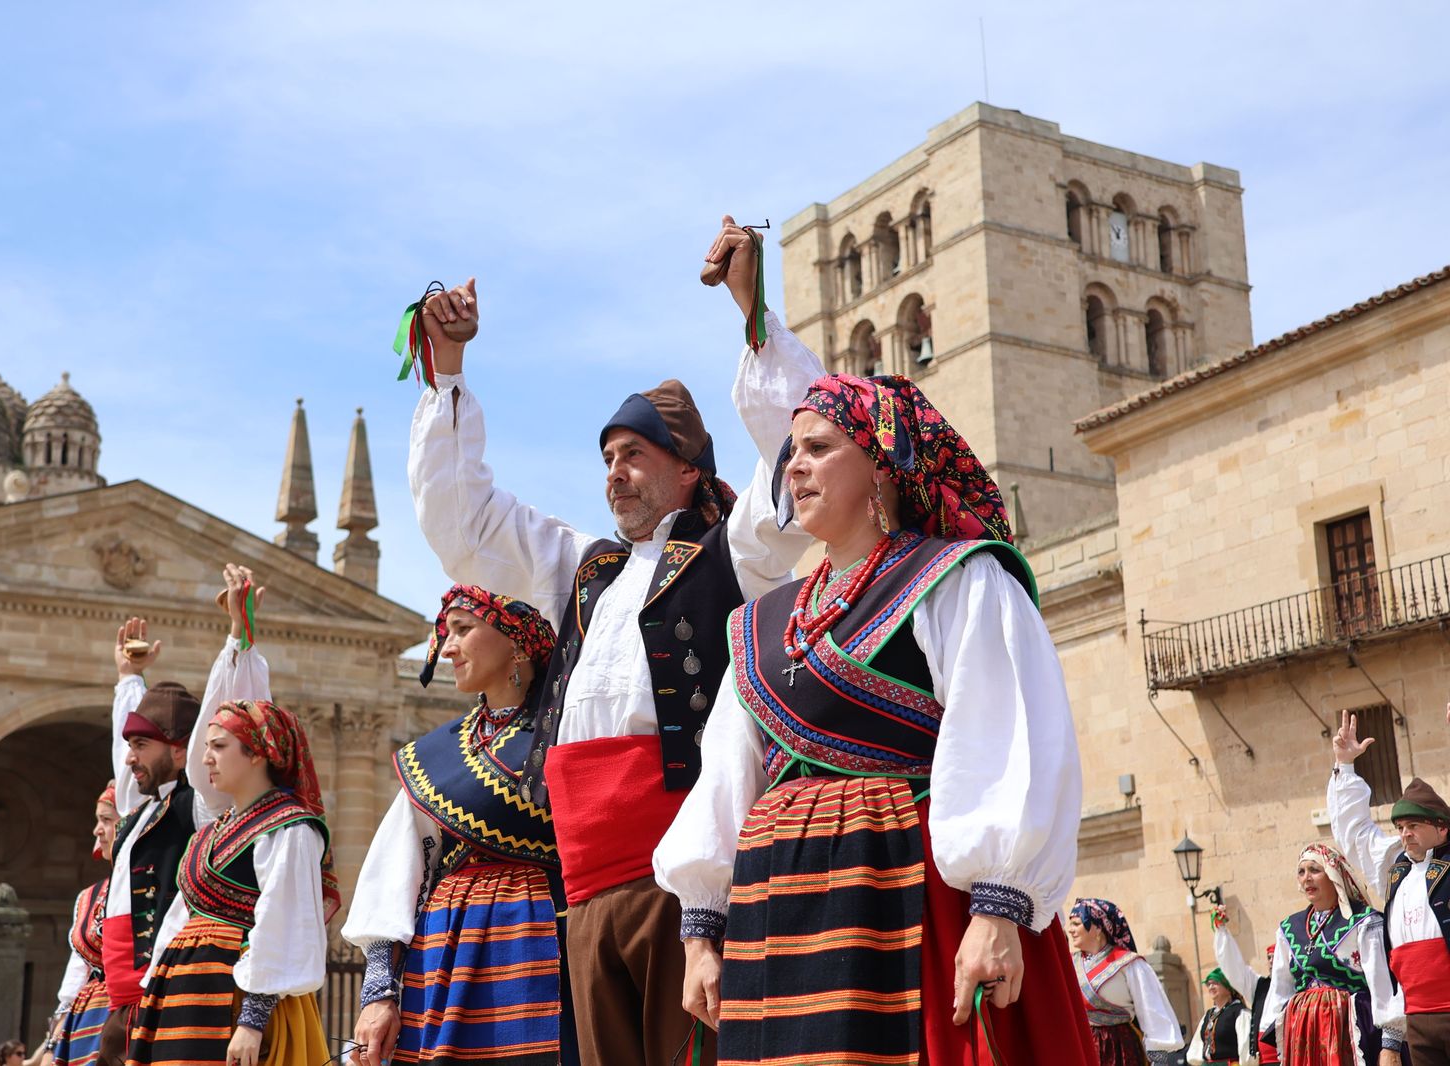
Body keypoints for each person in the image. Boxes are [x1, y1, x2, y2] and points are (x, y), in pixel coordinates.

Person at [406, 219, 823, 1066]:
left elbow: (801, 458)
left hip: (684, 877)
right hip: (584, 881)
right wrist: (448, 370)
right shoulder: (579, 570)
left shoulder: (731, 554)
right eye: (606, 456)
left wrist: (752, 312)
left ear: (687, 470)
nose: (614, 471)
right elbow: (464, 525)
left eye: (635, 453)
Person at [654, 372, 1098, 1063]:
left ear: (883, 464)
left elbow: (1008, 738)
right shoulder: (760, 623)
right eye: (790, 452)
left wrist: (998, 909)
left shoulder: (956, 579)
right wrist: (701, 933)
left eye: (820, 447)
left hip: (913, 902)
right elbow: (726, 782)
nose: (794, 464)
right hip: (781, 912)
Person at [345, 585, 571, 1065]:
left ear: (517, 643)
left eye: (463, 630)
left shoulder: (569, 730)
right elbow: (394, 874)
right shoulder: (435, 752)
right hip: (442, 949)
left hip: (540, 945)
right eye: (446, 633)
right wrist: (379, 992)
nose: (446, 647)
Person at [100, 564, 309, 1066]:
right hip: (151, 995)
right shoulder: (143, 816)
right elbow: (126, 764)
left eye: (143, 744)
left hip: (209, 999)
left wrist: (238, 639)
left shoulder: (202, 809)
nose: (130, 758)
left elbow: (240, 714)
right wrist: (129, 682)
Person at [124, 693, 331, 1066]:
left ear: (257, 752)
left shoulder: (289, 828)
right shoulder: (207, 834)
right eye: (206, 747)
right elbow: (178, 919)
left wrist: (252, 1020)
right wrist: (152, 992)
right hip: (184, 993)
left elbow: (282, 924)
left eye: (218, 746)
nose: (205, 759)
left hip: (238, 1002)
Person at [1330, 709, 1450, 1063]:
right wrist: (1345, 766)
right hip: (1418, 1018)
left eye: (1414, 824)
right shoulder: (1395, 868)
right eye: (1400, 827)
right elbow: (1355, 835)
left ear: (1442, 828)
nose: (1404, 833)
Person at [1261, 842, 1405, 1065]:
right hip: (1305, 1038)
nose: (1306, 877)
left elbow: (1383, 986)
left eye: (1315, 870)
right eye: (1301, 871)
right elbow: (1280, 989)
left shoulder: (1363, 922)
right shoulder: (1289, 928)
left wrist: (1390, 1045)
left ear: (1333, 875)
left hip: (1352, 1031)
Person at [50, 784, 119, 1066]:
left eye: (106, 820)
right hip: (85, 1019)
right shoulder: (89, 897)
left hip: (123, 1016)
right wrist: (51, 1042)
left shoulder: (150, 886)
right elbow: (78, 969)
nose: (97, 830)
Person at [1067, 898, 1184, 1063]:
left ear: (1098, 927)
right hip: (1082, 1046)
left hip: (1118, 1048)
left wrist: (1160, 1059)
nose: (1070, 930)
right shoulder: (1069, 963)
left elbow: (1151, 1009)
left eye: (1076, 924)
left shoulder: (1129, 964)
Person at [1210, 907, 1279, 1065]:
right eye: (1269, 957)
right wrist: (1221, 931)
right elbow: (1235, 968)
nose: (1272, 961)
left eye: (1276, 956)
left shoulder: (1296, 985)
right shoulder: (1259, 986)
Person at [1186, 967, 1249, 1066]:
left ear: (1228, 988)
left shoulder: (1240, 1012)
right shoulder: (1208, 1015)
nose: (1211, 987)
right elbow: (1197, 1046)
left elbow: (1246, 1047)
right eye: (1209, 984)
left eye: (1215, 983)